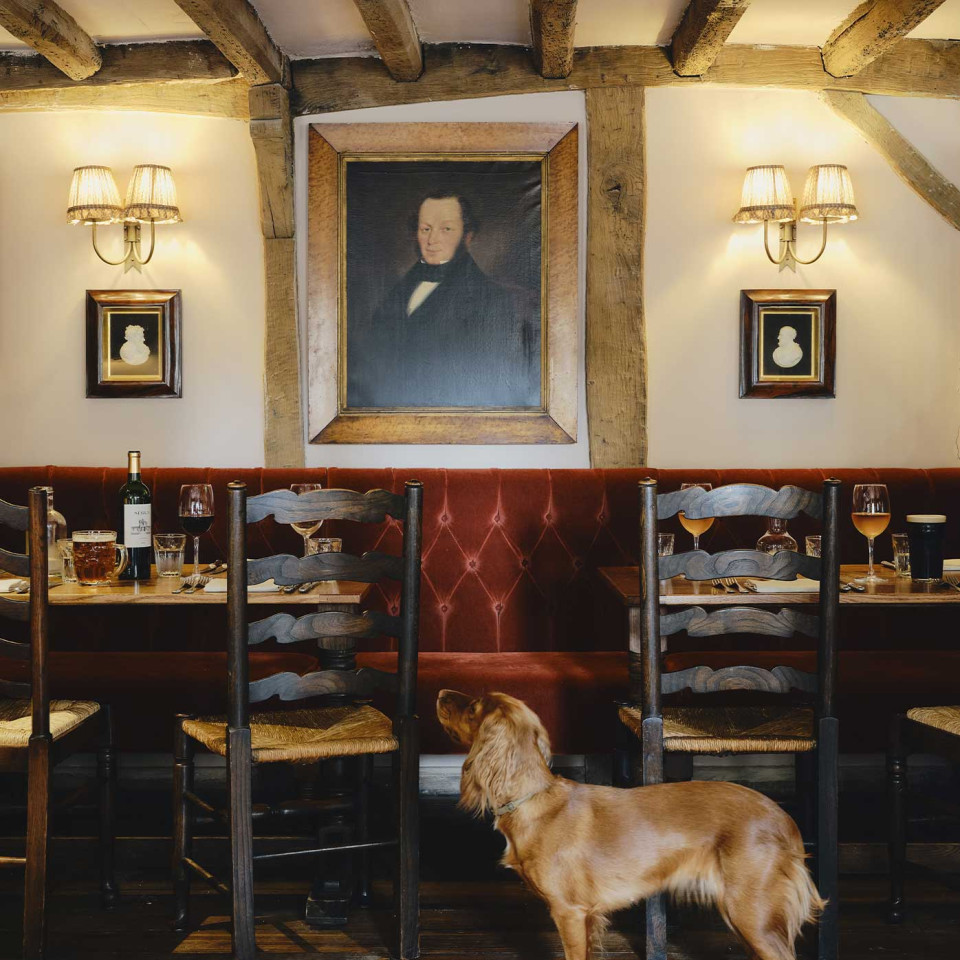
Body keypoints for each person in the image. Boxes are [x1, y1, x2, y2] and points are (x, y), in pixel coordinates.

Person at [347, 191, 541, 408]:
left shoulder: (492, 300)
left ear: (467, 236)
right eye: (425, 229)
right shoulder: (399, 291)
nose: (432, 240)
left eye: (446, 229)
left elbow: (489, 381)